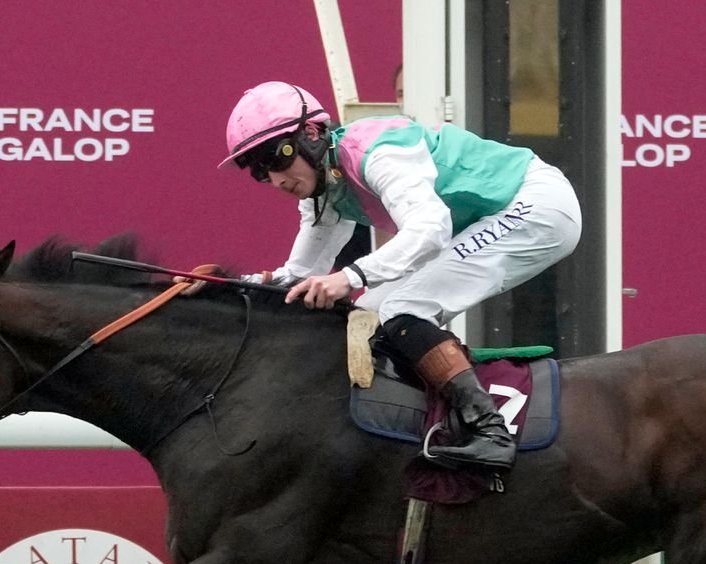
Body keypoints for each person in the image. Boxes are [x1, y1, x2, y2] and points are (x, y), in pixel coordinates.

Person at [220, 80, 582, 472]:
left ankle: (489, 431)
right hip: (489, 217)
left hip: (536, 205)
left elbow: (429, 228)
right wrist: (221, 289)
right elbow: (297, 276)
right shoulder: (323, 190)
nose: (275, 179)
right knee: (369, 315)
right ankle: (432, 420)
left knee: (404, 308)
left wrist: (351, 276)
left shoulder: (377, 151)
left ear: (310, 134)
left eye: (276, 158)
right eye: (258, 170)